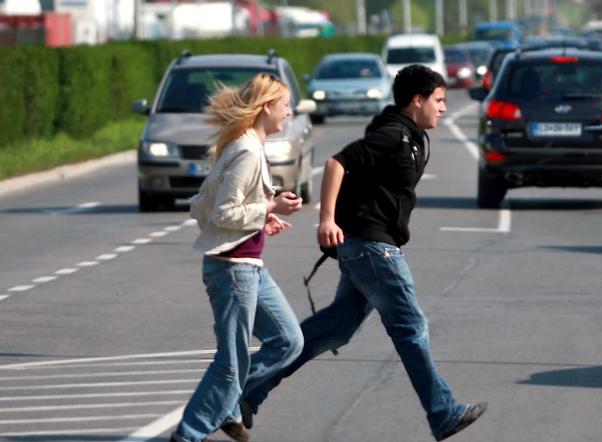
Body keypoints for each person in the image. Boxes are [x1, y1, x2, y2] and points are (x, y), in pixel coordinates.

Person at [239, 64, 488, 441]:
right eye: (438, 101)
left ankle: (246, 389)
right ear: (416, 100)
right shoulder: (392, 134)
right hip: (373, 249)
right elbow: (337, 163)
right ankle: (444, 413)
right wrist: (326, 220)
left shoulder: (413, 136)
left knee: (335, 328)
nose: (443, 108)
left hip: (367, 247)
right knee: (411, 328)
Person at [170, 74, 305, 442]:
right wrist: (269, 207)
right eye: (285, 106)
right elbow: (223, 213)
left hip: (249, 267)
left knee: (289, 340)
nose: (289, 112)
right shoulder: (246, 149)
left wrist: (265, 218)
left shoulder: (248, 144)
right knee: (231, 364)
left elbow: (228, 207)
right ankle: (188, 434)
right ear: (266, 108)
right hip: (232, 271)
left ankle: (228, 408)